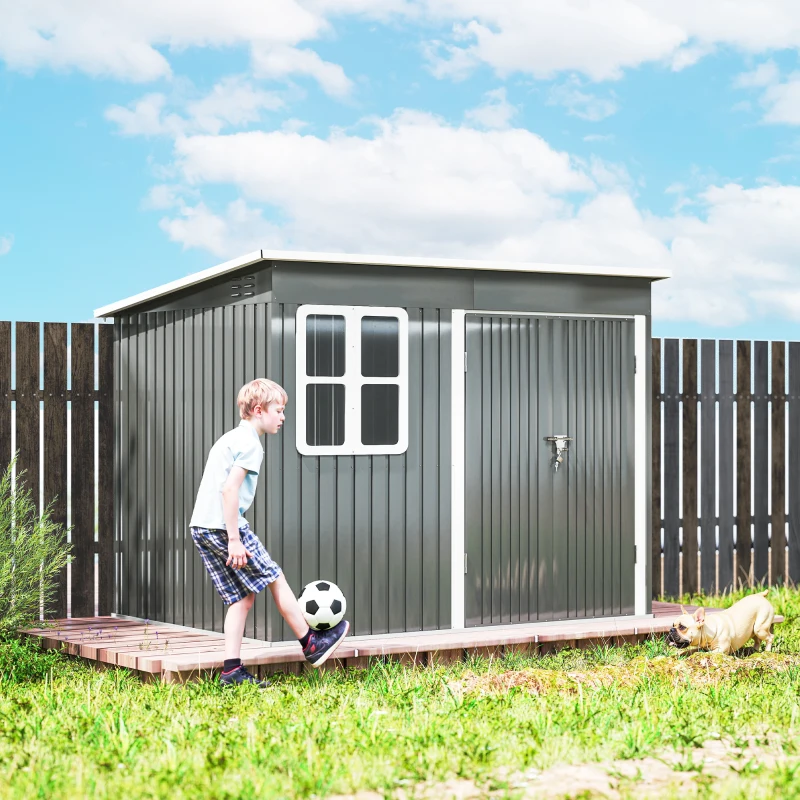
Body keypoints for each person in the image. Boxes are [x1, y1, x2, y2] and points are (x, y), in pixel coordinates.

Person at [189, 378, 349, 686]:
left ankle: (232, 670)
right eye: (279, 410)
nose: (283, 417)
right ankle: (311, 643)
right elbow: (229, 490)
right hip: (224, 527)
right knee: (274, 577)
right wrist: (234, 539)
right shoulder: (250, 444)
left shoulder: (231, 438)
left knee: (241, 598)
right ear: (259, 410)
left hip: (202, 527)